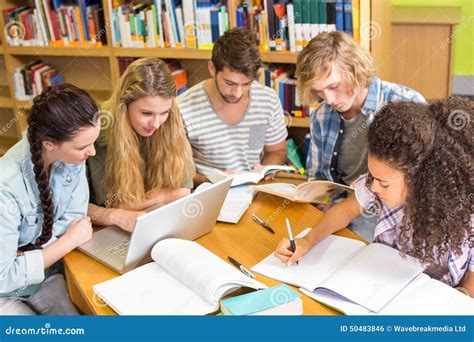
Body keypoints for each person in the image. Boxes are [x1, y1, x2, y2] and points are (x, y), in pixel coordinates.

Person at [275, 97, 473, 297]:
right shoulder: (378, 181)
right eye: (372, 177)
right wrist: (307, 240)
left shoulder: (464, 208)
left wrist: (459, 299)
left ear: (419, 178)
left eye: (384, 183)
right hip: (385, 290)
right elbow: (345, 210)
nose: (374, 187)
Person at [296, 31, 426, 240]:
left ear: (353, 69)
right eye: (319, 91)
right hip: (343, 213)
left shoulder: (406, 104)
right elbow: (317, 178)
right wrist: (313, 198)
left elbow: (426, 179)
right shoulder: (321, 116)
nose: (328, 99)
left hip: (399, 219)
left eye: (333, 86)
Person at [0, 84, 100, 314]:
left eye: (93, 142)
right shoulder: (5, 187)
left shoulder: (72, 157)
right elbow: (4, 276)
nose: (92, 152)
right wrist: (66, 242)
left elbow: (75, 219)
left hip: (46, 274)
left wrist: (31, 253)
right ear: (48, 143)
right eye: (83, 146)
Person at [87, 57, 195, 232]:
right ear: (125, 105)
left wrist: (137, 203)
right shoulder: (98, 130)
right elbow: (83, 206)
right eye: (146, 113)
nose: (156, 123)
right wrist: (163, 196)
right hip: (107, 230)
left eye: (164, 112)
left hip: (157, 223)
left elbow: (184, 191)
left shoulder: (171, 123)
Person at [178, 28, 288, 185]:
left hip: (255, 192)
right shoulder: (183, 108)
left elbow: (277, 151)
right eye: (230, 83)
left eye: (246, 84)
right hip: (207, 195)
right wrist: (211, 180)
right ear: (212, 69)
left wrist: (266, 168)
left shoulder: (268, 100)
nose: (237, 93)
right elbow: (175, 173)